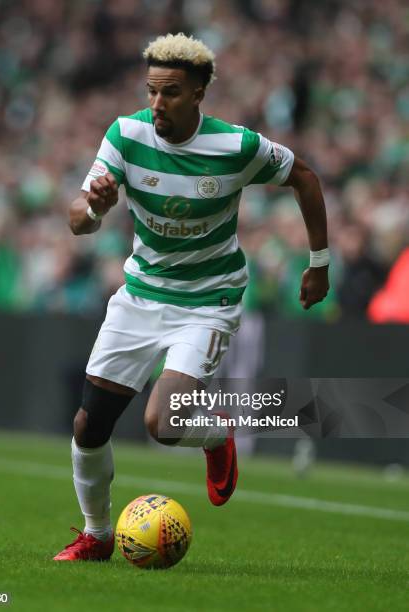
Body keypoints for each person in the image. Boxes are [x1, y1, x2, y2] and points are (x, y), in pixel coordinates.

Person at [53, 33, 329, 561]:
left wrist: (319, 263)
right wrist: (94, 208)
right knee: (89, 425)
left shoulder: (237, 147)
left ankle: (215, 437)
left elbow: (307, 179)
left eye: (172, 92)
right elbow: (78, 222)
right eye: (152, 90)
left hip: (208, 300)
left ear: (199, 93)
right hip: (140, 295)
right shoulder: (125, 134)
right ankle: (97, 535)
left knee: (166, 420)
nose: (157, 103)